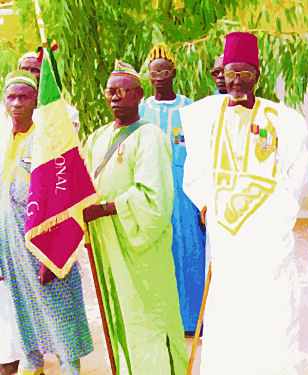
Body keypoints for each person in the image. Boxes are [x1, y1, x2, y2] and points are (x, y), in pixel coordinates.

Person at [180, 32, 308, 374]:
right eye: (230, 73)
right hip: (226, 229)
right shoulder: (206, 115)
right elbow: (195, 166)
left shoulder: (283, 119)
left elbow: (298, 167)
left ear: (257, 74)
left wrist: (281, 211)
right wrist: (207, 204)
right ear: (221, 75)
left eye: (244, 73)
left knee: (271, 301)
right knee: (228, 305)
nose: (237, 81)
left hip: (267, 228)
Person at [83, 60, 188, 374]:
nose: (116, 98)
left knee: (147, 315)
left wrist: (104, 209)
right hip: (107, 243)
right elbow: (85, 185)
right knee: (120, 315)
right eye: (111, 92)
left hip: (141, 248)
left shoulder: (150, 136)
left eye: (123, 92)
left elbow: (153, 197)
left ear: (139, 96)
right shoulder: (97, 137)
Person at [0, 70, 93, 375]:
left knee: (60, 313)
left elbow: (65, 203)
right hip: (11, 244)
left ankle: (70, 369)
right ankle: (33, 364)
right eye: (10, 97)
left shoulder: (47, 142)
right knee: (23, 307)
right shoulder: (5, 140)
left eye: (24, 97)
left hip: (45, 250)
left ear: (35, 103)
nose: (16, 103)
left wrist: (52, 257)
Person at [139, 43, 206, 336]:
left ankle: (192, 320)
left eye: (165, 70)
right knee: (155, 252)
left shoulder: (191, 109)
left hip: (184, 191)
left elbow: (203, 152)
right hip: (152, 188)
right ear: (148, 77)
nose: (160, 76)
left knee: (189, 251)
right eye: (154, 72)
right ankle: (158, 320)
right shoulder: (141, 109)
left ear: (174, 72)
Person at [18, 51, 81, 132]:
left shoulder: (66, 113)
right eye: (24, 69)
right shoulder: (6, 111)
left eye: (35, 70)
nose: (29, 74)